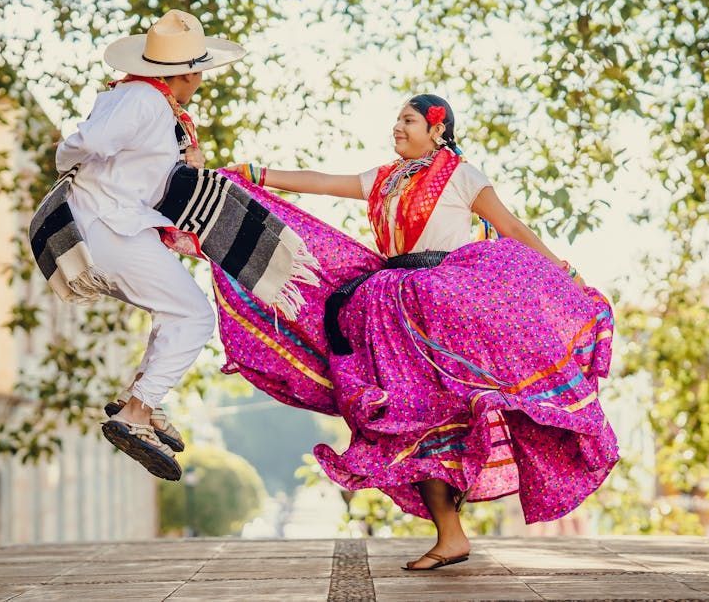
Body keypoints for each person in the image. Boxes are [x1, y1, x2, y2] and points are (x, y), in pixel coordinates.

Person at [217, 95, 618, 569]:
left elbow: (509, 226)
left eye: (408, 120)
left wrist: (563, 271)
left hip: (445, 303)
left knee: (451, 412)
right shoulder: (383, 179)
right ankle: (451, 536)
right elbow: (323, 183)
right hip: (389, 309)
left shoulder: (462, 175)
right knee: (414, 418)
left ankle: (469, 510)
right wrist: (255, 174)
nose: (397, 128)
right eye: (397, 120)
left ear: (437, 127)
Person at [42, 9, 246, 480]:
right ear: (188, 72)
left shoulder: (143, 100)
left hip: (115, 226)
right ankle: (136, 413)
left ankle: (141, 399)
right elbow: (83, 144)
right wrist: (78, 171)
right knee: (194, 315)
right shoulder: (143, 102)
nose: (199, 81)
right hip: (112, 227)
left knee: (172, 309)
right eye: (198, 72)